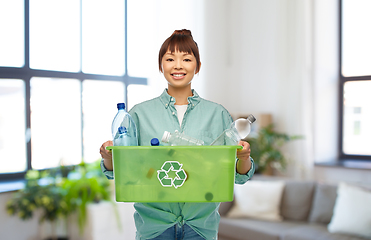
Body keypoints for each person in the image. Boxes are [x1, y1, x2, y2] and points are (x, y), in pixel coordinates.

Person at [99, 29, 255, 240]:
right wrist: (110, 158)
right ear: (161, 65)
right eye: (170, 58)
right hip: (154, 227)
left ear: (197, 66)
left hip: (201, 227)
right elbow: (122, 171)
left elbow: (238, 175)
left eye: (187, 59)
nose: (178, 65)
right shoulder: (139, 114)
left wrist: (243, 158)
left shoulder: (217, 114)